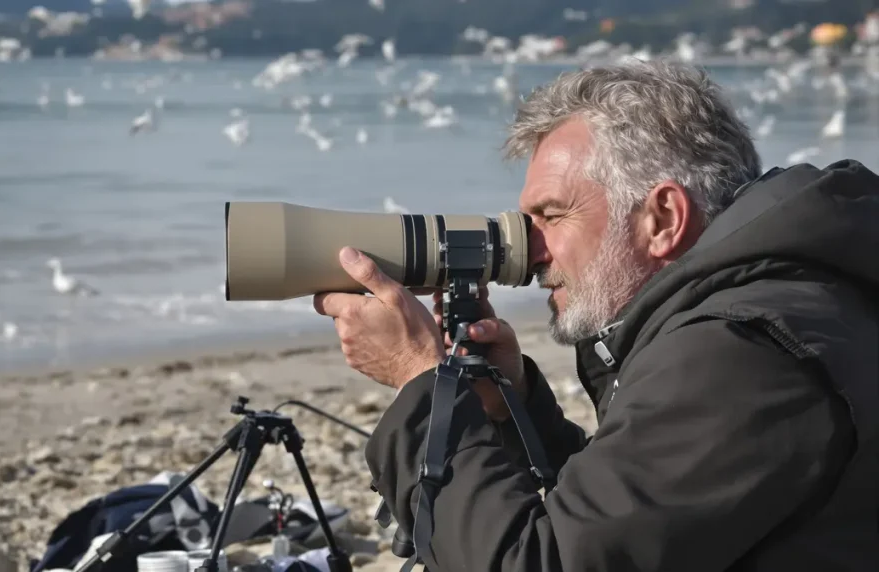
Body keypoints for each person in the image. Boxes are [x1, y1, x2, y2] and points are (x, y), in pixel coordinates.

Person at [312, 59, 879, 571]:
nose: (531, 250)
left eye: (553, 215)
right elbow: (633, 532)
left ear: (662, 218)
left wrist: (418, 381)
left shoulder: (741, 352)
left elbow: (540, 564)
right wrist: (514, 409)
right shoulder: (782, 306)